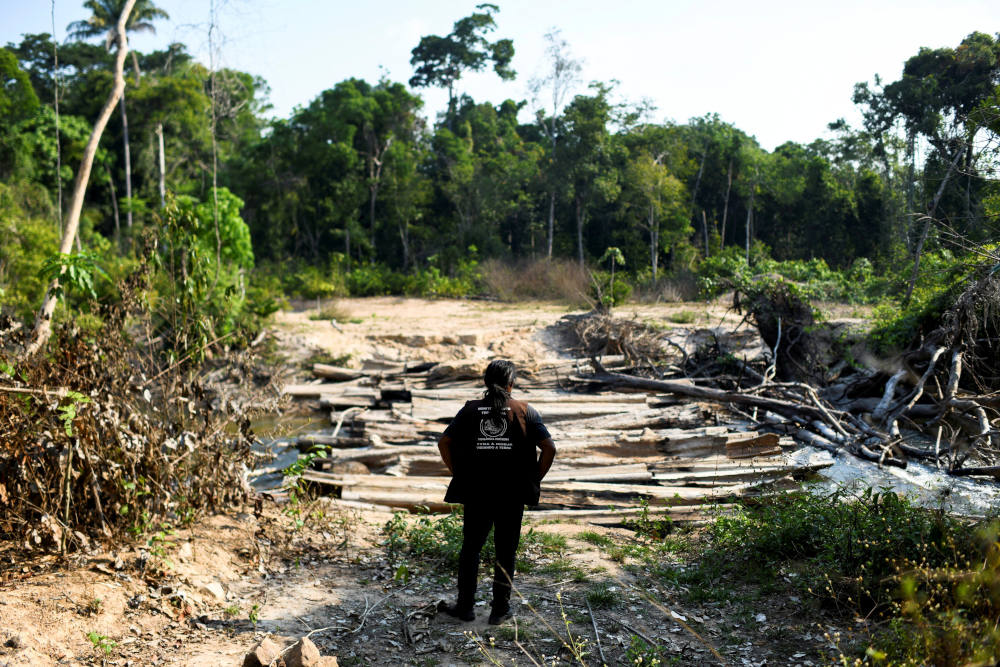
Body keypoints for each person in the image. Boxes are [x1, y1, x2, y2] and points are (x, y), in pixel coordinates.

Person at [436, 359, 557, 625]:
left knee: (471, 549)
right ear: (511, 384)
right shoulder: (525, 411)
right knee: (506, 551)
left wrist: (457, 471)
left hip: (477, 491)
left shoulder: (470, 410)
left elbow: (444, 442)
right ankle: (499, 610)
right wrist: (534, 479)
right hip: (512, 494)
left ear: (484, 382)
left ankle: (465, 608)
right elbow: (549, 448)